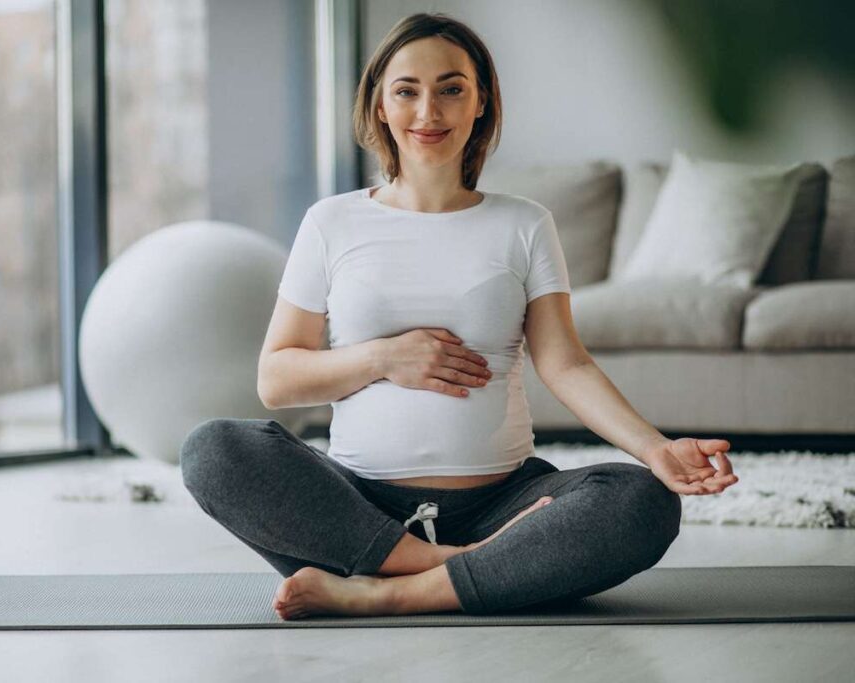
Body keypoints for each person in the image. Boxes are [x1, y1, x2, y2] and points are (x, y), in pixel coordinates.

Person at [179, 12, 739, 620]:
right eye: (407, 91)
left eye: (451, 89)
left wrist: (655, 450)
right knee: (213, 450)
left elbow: (565, 362)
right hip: (358, 510)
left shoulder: (524, 223)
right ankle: (465, 568)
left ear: (481, 103)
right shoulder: (330, 222)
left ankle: (387, 590)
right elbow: (277, 379)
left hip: (506, 503)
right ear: (379, 105)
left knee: (641, 501)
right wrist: (383, 358)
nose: (429, 112)